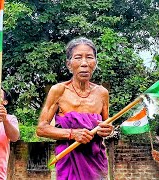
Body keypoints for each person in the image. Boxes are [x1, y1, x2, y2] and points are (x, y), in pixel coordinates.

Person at [36, 37, 114, 180]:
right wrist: (72, 134)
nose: (84, 63)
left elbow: (106, 126)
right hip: (68, 162)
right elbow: (41, 129)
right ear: (69, 64)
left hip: (96, 163)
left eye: (89, 58)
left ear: (95, 63)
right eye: (78, 58)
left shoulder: (102, 93)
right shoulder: (58, 91)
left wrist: (107, 130)